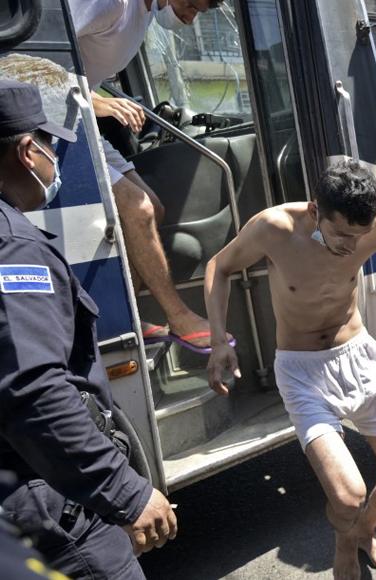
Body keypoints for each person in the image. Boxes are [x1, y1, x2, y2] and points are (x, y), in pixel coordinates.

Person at [204, 159, 376, 579]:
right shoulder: (274, 227)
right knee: (348, 496)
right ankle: (346, 543)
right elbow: (219, 267)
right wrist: (218, 339)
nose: (352, 248)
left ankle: (365, 532)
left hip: (360, 357)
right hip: (302, 371)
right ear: (315, 210)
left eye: (359, 236)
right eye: (342, 236)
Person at [0, 79, 177, 580]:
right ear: (28, 151)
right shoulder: (13, 248)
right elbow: (33, 389)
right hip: (43, 503)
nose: (55, 160)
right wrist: (124, 491)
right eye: (50, 146)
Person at [68, 0, 229, 352]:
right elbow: (37, 58)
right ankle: (180, 317)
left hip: (80, 120)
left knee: (153, 208)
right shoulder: (110, 5)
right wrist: (98, 102)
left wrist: (91, 100)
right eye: (191, 5)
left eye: (199, 13)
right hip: (57, 125)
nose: (189, 18)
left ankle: (123, 317)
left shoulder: (140, 17)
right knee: (138, 208)